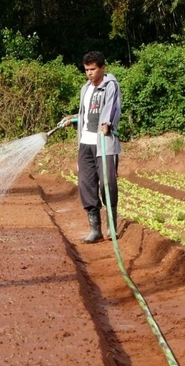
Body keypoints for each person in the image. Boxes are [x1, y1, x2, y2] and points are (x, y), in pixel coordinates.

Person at [59, 51, 121, 243]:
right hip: (85, 143)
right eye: (86, 70)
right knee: (86, 184)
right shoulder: (85, 89)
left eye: (93, 69)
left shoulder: (110, 85)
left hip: (104, 143)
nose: (89, 73)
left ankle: (111, 226)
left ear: (102, 68)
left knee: (107, 183)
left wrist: (107, 124)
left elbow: (111, 108)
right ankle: (95, 229)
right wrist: (73, 119)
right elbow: (86, 116)